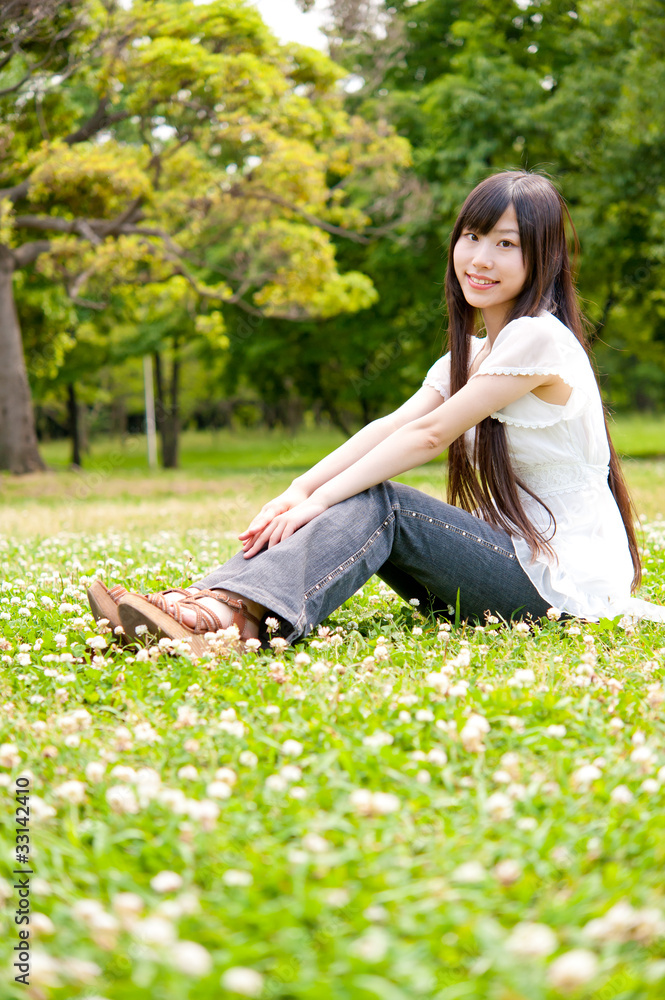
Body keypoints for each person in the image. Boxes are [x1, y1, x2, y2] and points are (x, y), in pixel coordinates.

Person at [88, 170, 665, 654]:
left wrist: (320, 498)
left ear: (544, 256)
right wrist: (300, 488)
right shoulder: (473, 354)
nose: (481, 258)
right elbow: (388, 425)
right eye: (472, 236)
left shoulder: (538, 339)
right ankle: (210, 606)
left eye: (506, 244)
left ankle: (223, 616)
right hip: (514, 572)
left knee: (378, 500)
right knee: (352, 493)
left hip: (559, 589)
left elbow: (430, 435)